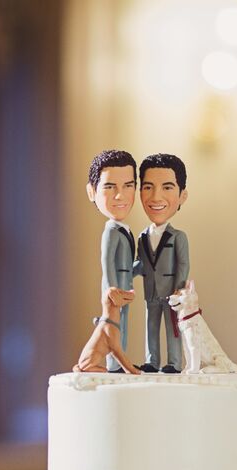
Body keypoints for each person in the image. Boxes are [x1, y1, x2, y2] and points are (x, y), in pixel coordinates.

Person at [134, 153, 189, 373]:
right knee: (151, 326)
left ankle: (174, 362)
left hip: (171, 292)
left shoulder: (178, 237)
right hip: (151, 291)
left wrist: (180, 288)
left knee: (172, 328)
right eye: (148, 187)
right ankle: (152, 360)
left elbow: (183, 265)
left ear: (182, 195)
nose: (156, 196)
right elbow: (141, 263)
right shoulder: (142, 237)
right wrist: (124, 273)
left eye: (167, 187)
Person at [86, 149, 137, 372]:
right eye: (110, 187)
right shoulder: (110, 232)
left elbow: (125, 264)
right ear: (92, 192)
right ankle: (113, 364)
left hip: (124, 287)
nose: (120, 195)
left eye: (128, 185)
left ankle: (117, 362)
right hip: (114, 291)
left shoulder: (123, 229)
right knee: (114, 327)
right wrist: (112, 289)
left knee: (123, 326)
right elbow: (107, 263)